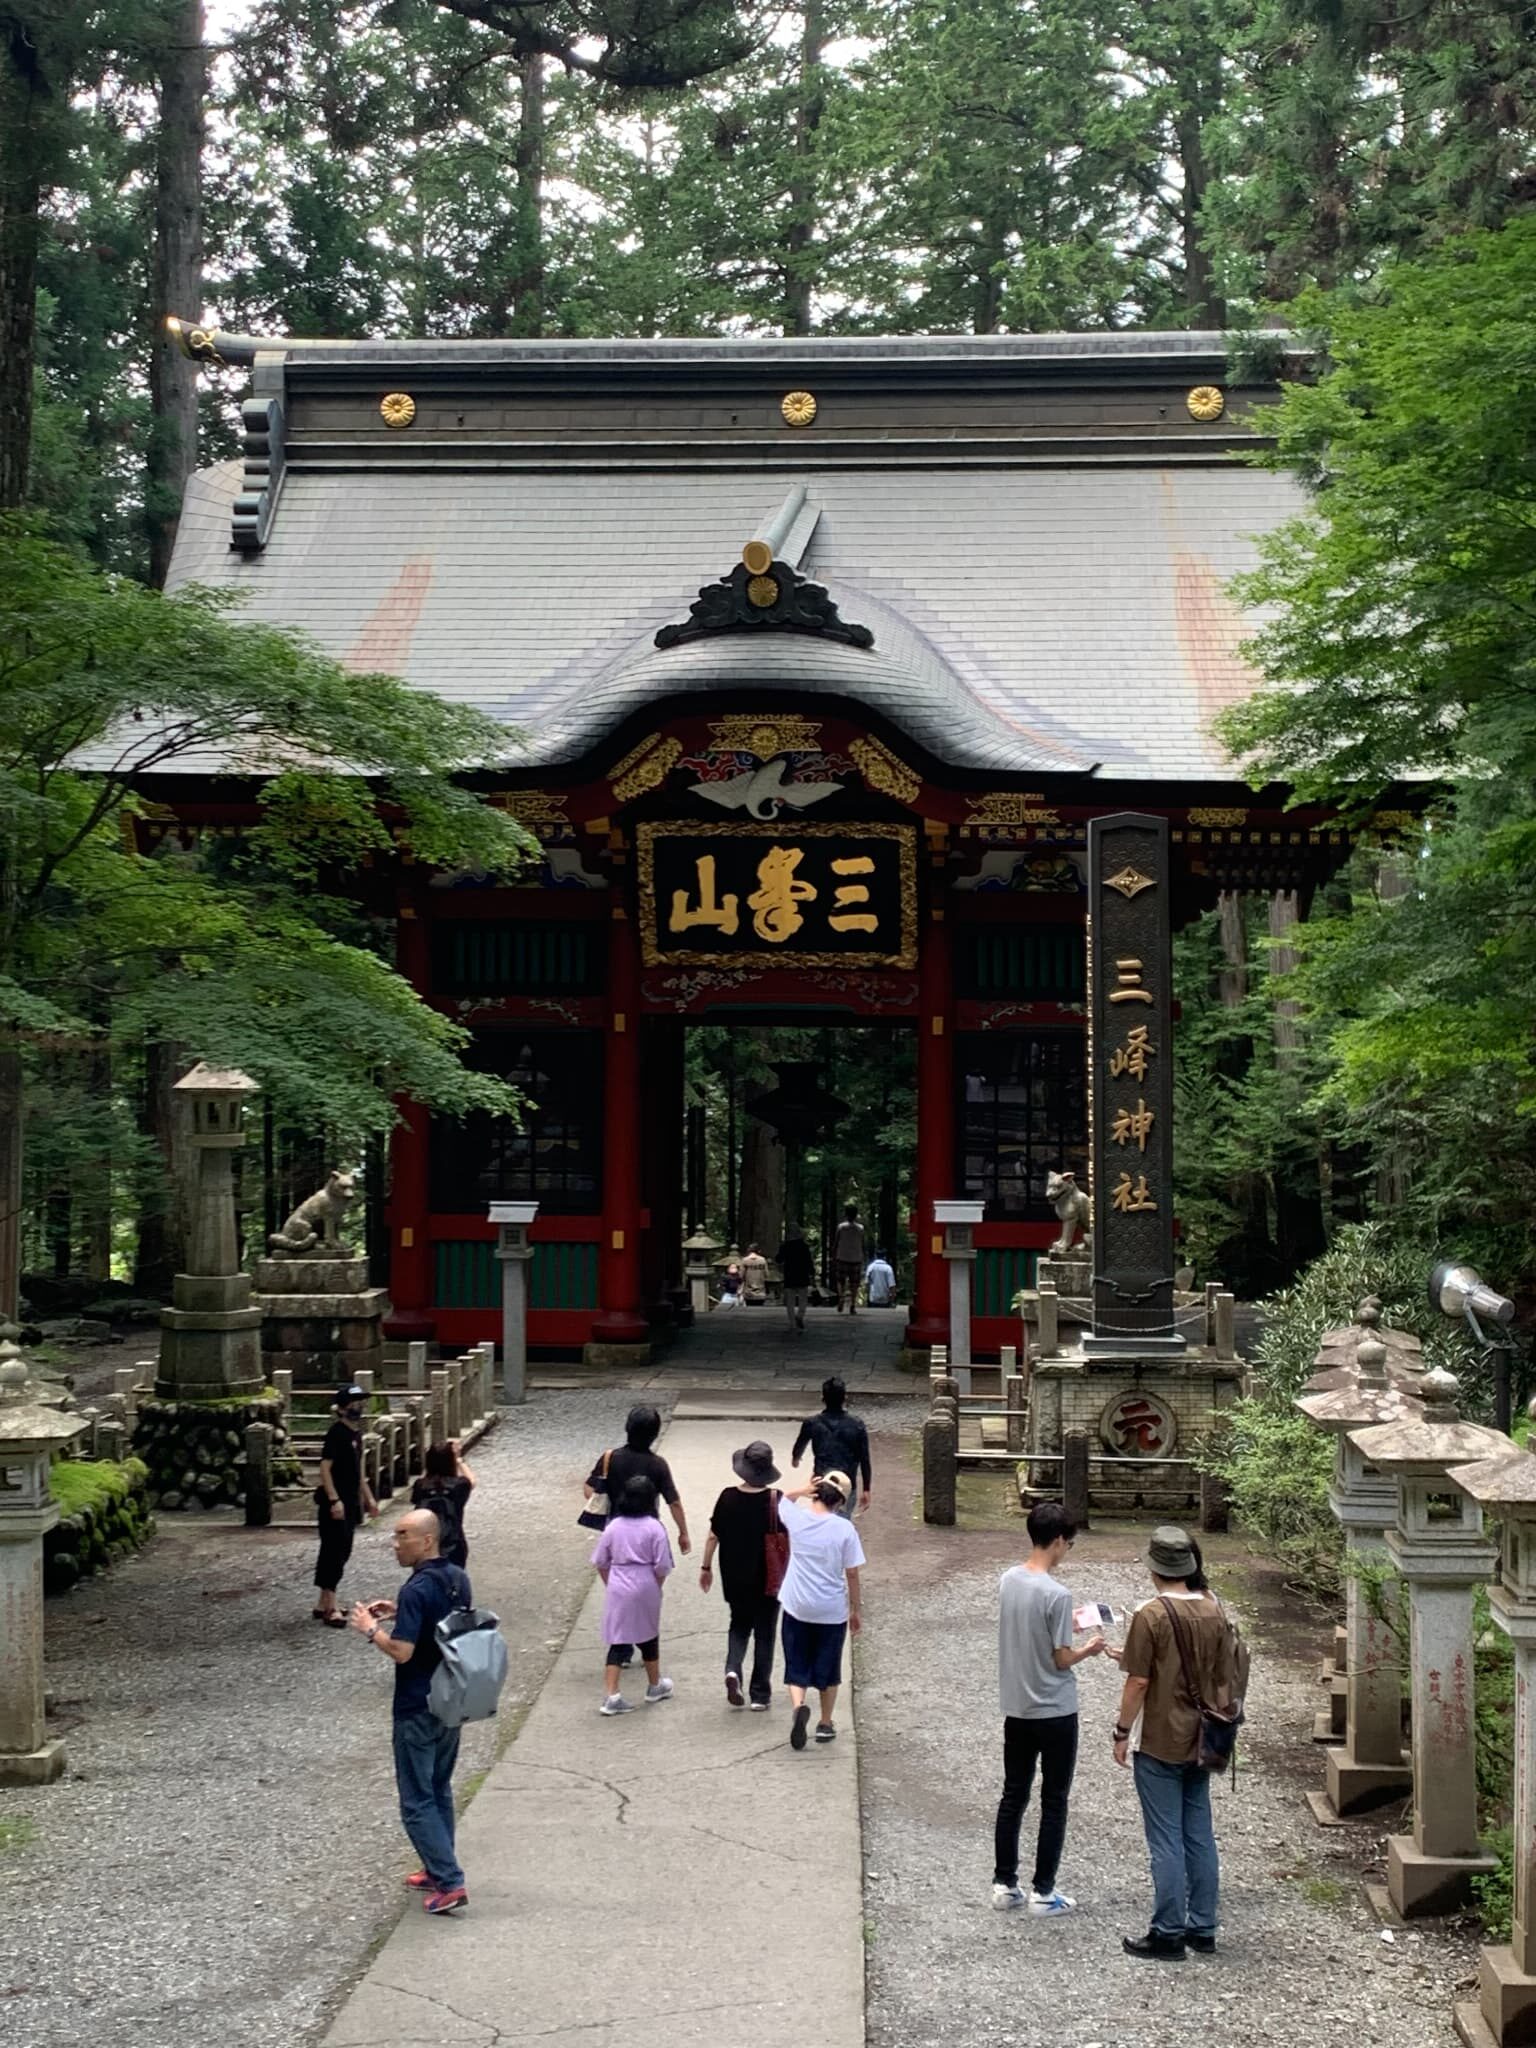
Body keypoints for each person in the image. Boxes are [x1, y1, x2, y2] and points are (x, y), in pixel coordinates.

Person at [1110, 1526, 1236, 1960]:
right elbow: (1223, 1676)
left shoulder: (1152, 1614)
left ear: (1154, 1568)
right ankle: (1203, 1927)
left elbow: (1139, 1680)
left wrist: (1122, 1731)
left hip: (1163, 1737)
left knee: (1165, 1838)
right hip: (1204, 1737)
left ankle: (1167, 1931)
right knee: (1199, 1833)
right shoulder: (1214, 1609)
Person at [350, 1507, 472, 1915]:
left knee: (416, 1798)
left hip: (417, 1702)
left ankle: (451, 1881)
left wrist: (372, 1629)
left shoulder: (416, 1589)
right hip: (451, 1697)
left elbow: (402, 1652)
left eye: (403, 1535)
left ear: (426, 1540)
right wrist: (400, 1614)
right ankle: (438, 1866)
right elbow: (444, 1626)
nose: (395, 1543)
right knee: (439, 1787)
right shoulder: (457, 1578)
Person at [992, 1501, 1105, 1917]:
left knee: (1013, 1793)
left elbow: (1028, 1625)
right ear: (1058, 1541)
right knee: (1054, 1798)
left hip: (1017, 1707)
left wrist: (1065, 1624)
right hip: (1055, 1709)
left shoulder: (1009, 1580)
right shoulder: (1057, 1593)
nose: (1067, 1551)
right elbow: (1061, 1659)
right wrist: (1089, 1649)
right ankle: (1044, 1891)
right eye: (1068, 1544)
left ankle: (1005, 1883)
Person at [778, 1470, 864, 1749]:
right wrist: (855, 1609)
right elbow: (852, 1573)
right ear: (840, 1502)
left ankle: (799, 1706)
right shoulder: (844, 1529)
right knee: (828, 1667)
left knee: (796, 1662)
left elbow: (782, 1499)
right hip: (830, 1609)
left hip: (797, 1604)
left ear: (817, 1492)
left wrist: (802, 1489)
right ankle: (825, 1722)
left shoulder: (798, 1519)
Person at [699, 1440, 782, 1710]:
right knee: (765, 1633)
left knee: (738, 1624)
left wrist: (706, 1567)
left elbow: (714, 1535)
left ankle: (733, 1668)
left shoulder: (727, 1497)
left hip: (734, 1574)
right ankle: (760, 1694)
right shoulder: (775, 1499)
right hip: (768, 1577)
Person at [592, 1476, 676, 1714]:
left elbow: (600, 1561)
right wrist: (655, 1586)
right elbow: (662, 1565)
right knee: (649, 1636)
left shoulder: (614, 1526)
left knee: (618, 1639)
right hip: (646, 1582)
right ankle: (654, 1684)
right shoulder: (654, 1527)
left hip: (618, 1582)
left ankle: (611, 1695)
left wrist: (611, 1583)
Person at [584, 1404, 691, 1555]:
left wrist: (608, 1501)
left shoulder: (610, 1458)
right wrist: (683, 1532)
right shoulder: (658, 1464)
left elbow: (589, 1488)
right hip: (648, 1529)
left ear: (627, 1428)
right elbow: (674, 1502)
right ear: (655, 1434)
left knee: (617, 1568)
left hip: (616, 1526)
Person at [312, 1383, 377, 1627]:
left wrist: (368, 1497)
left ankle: (322, 1602)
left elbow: (358, 1470)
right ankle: (331, 1607)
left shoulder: (355, 1434)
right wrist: (333, 1499)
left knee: (343, 1549)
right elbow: (324, 1468)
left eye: (361, 1401)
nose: (359, 1406)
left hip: (351, 1500)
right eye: (354, 1401)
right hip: (335, 1502)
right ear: (341, 1408)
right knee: (334, 1550)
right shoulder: (336, 1433)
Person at [792, 1375, 872, 1514]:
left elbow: (800, 1444)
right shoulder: (857, 1424)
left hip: (821, 1481)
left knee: (820, 1518)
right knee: (842, 1519)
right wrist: (866, 1489)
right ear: (844, 1398)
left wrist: (796, 1459)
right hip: (847, 1482)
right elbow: (864, 1459)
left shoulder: (812, 1423)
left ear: (822, 1398)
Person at [411, 1439, 476, 1569]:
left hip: (425, 1543)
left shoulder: (420, 1485)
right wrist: (458, 1459)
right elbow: (472, 1481)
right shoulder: (459, 1485)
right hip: (454, 1542)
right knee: (454, 1581)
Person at [776, 1224, 815, 1332]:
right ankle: (800, 1316)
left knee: (790, 1301)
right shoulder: (804, 1246)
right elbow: (809, 1261)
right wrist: (811, 1272)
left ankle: (792, 1323)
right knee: (803, 1299)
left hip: (790, 1275)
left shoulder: (785, 1246)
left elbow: (778, 1259)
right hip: (802, 1275)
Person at [832, 1205, 866, 1312]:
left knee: (840, 1280)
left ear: (846, 1214)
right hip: (856, 1258)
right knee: (854, 1283)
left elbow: (836, 1242)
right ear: (856, 1215)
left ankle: (841, 1296)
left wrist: (834, 1254)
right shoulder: (860, 1228)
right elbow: (862, 1243)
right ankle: (852, 1304)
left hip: (842, 1257)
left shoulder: (841, 1227)